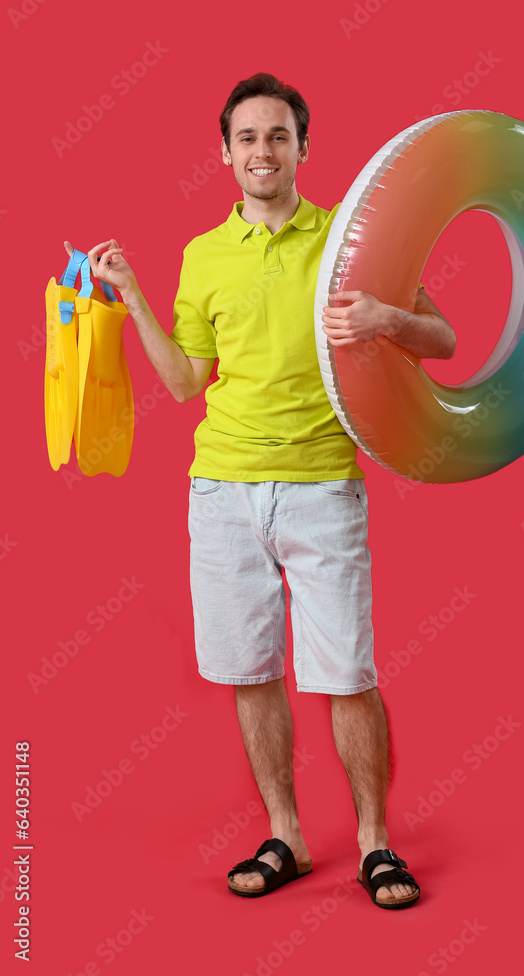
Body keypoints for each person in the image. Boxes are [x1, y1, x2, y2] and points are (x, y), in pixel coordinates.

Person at [64, 72, 456, 910]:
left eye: (278, 136)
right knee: (252, 671)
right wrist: (132, 296)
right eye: (248, 138)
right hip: (224, 493)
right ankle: (285, 834)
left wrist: (386, 319)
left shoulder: (350, 240)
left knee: (347, 672)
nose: (263, 151)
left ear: (303, 148)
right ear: (225, 154)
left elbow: (444, 338)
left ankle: (376, 845)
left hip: (322, 485)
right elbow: (182, 384)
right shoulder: (203, 257)